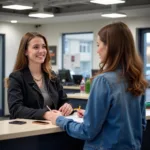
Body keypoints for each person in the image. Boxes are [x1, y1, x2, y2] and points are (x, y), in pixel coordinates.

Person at [48, 22, 148, 150]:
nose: (97, 50)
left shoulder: (103, 81)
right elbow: (140, 124)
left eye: (98, 45)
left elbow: (87, 131)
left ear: (110, 47)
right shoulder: (137, 79)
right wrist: (93, 115)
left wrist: (59, 119)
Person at [7, 32, 73, 120]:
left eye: (44, 46)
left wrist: (67, 106)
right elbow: (16, 109)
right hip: (27, 130)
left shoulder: (52, 76)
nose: (41, 51)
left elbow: (63, 100)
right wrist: (45, 114)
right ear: (25, 51)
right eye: (36, 47)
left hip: (52, 127)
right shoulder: (16, 77)